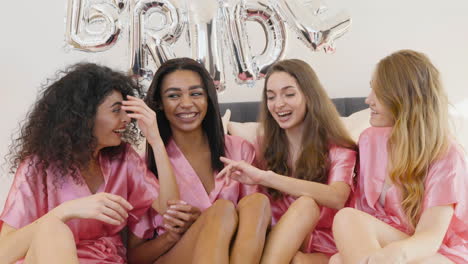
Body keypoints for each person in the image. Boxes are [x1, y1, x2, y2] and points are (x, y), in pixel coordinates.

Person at [0, 63, 168, 263]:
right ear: (84, 117)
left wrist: (156, 140)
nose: (126, 119)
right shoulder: (38, 166)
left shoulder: (123, 158)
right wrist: (64, 212)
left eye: (126, 111)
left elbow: (169, 209)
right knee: (53, 229)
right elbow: (4, 253)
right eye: (116, 111)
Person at [125, 57, 271, 264]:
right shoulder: (145, 166)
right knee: (221, 210)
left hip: (236, 256)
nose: (186, 104)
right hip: (176, 257)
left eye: (196, 94)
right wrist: (175, 234)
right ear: (160, 104)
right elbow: (134, 257)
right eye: (174, 95)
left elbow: (256, 224)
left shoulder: (239, 150)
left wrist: (206, 222)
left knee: (257, 201)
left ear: (208, 99)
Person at [332, 50, 468, 264]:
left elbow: (430, 238)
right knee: (344, 231)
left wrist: (393, 255)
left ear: (404, 97)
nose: (368, 100)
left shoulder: (447, 155)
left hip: (432, 250)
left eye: (378, 92)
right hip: (389, 240)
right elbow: (360, 215)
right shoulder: (369, 141)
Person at [219, 59, 357, 264]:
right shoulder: (260, 148)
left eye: (289, 94)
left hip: (321, 247)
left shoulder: (339, 149)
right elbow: (253, 212)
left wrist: (268, 178)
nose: (279, 104)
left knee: (306, 206)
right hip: (274, 242)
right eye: (271, 97)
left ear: (309, 96)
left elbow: (337, 197)